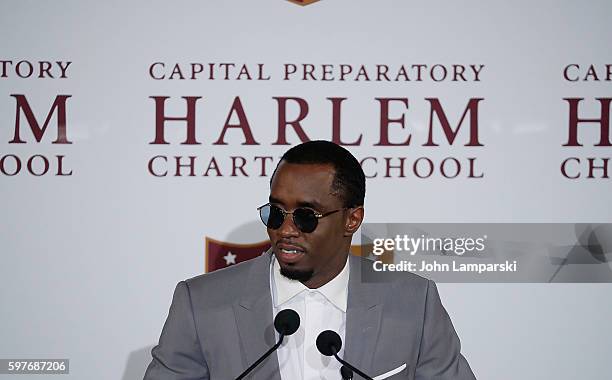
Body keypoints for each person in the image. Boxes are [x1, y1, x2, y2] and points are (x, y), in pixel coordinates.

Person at [144, 140, 476, 380]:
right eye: (276, 213)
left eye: (306, 216)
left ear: (352, 219)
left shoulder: (414, 302)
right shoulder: (200, 303)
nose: (285, 230)